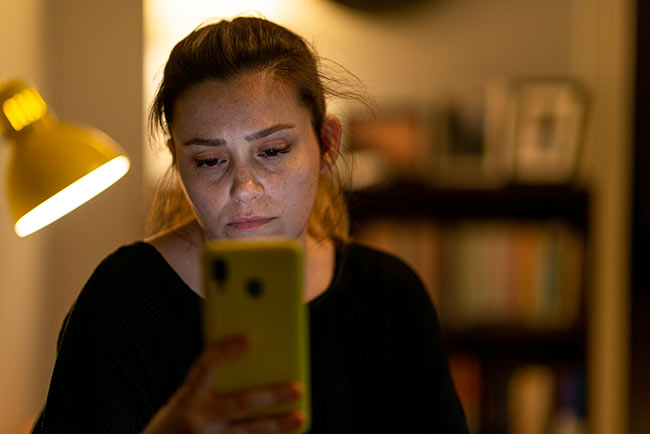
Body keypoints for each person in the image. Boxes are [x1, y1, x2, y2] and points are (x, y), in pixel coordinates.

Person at [32, 16, 469, 433]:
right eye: (209, 160)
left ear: (327, 144)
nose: (245, 188)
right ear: (179, 164)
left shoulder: (390, 296)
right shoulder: (124, 298)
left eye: (273, 151)